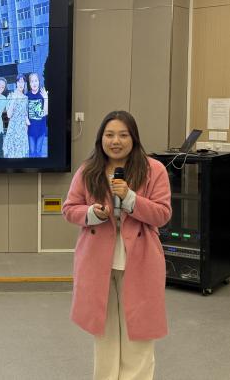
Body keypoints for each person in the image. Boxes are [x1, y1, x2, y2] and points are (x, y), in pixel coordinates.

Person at [62, 110, 172, 380]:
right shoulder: (88, 170)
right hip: (98, 262)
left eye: (123, 135)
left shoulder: (153, 169)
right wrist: (92, 213)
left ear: (134, 138)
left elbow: (162, 214)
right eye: (109, 135)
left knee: (139, 334)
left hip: (141, 261)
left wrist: (131, 198)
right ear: (101, 139)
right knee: (105, 335)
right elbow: (69, 209)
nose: (116, 141)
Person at [2, 74, 29, 158]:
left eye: (22, 82)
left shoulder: (26, 98)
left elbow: (25, 114)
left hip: (22, 129)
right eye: (19, 81)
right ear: (16, 83)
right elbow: (9, 115)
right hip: (13, 128)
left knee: (21, 155)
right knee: (12, 154)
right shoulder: (11, 95)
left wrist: (26, 128)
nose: (21, 84)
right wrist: (14, 99)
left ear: (24, 84)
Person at [27, 72, 48, 157]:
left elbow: (45, 113)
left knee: (38, 151)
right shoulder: (27, 96)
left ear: (39, 82)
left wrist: (46, 98)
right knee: (32, 152)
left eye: (36, 81)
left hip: (41, 130)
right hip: (30, 131)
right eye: (32, 81)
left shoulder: (43, 94)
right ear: (29, 83)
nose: (34, 83)